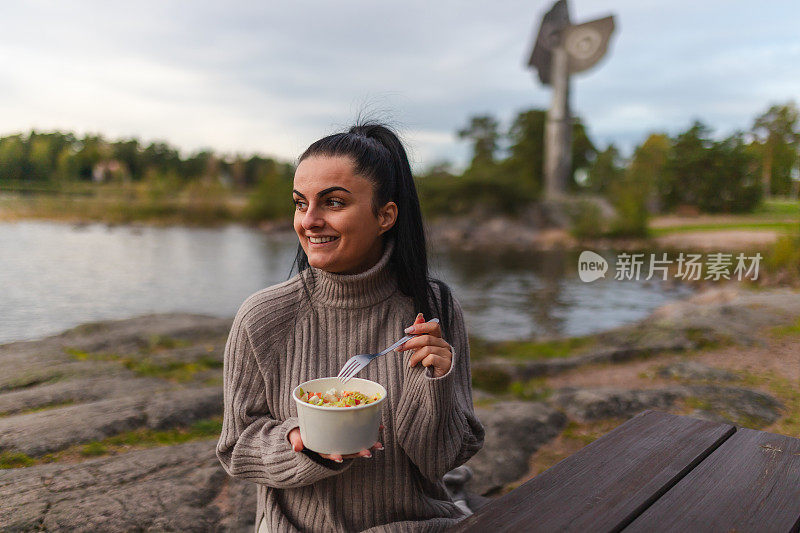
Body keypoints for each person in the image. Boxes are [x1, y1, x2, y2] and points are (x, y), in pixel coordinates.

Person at [216, 122, 485, 532]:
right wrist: (299, 443)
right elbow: (237, 446)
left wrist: (436, 380)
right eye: (299, 202)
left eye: (333, 203)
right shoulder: (262, 317)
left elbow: (441, 460)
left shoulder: (433, 307)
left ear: (385, 215)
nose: (309, 221)